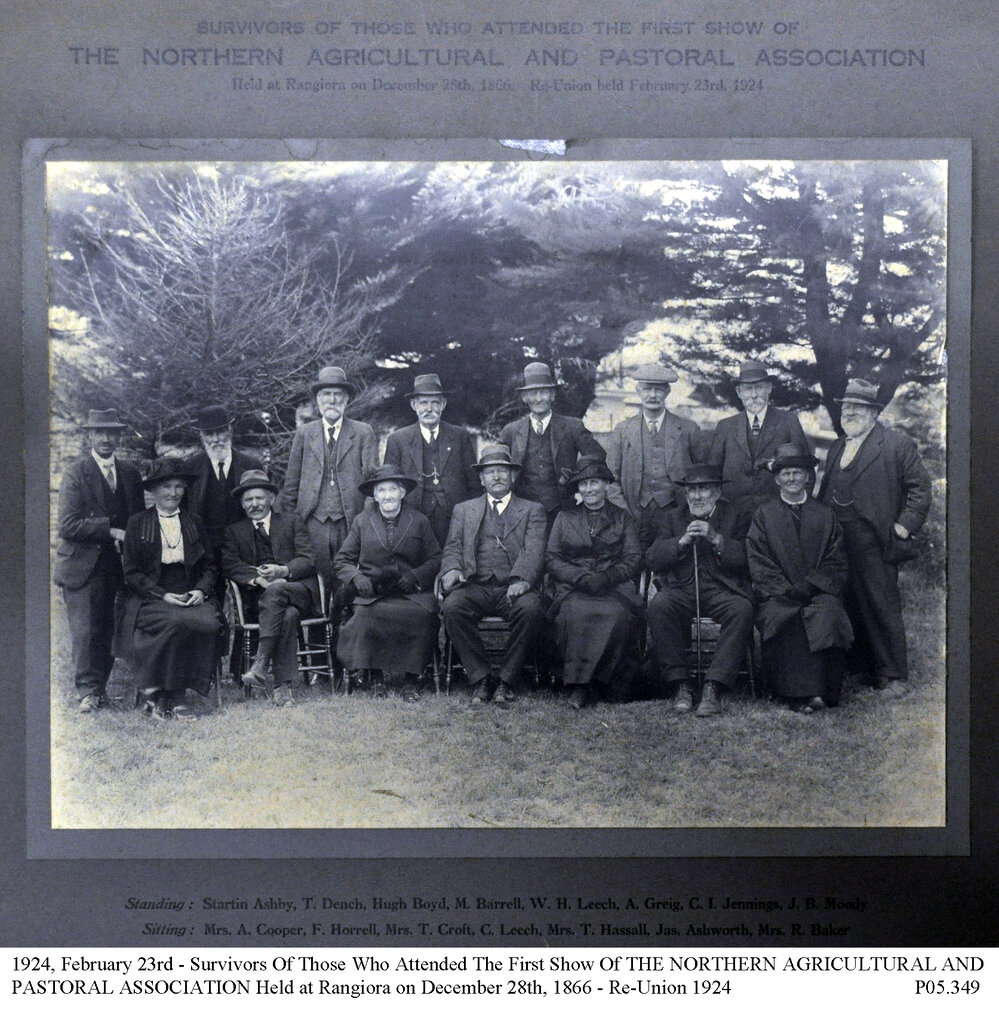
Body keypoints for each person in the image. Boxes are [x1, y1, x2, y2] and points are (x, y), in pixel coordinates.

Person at [817, 378, 932, 696]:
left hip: (875, 539)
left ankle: (894, 675)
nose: (849, 412)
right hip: (839, 540)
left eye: (858, 407)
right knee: (851, 600)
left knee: (881, 603)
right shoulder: (838, 445)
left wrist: (904, 526)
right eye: (846, 407)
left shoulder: (895, 444)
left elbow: (921, 488)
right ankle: (864, 667)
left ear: (874, 412)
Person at [746, 444, 853, 713]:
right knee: (787, 616)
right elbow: (758, 559)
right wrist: (784, 588)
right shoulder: (764, 515)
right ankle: (794, 693)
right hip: (778, 594)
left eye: (797, 472)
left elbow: (836, 560)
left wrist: (812, 584)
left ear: (808, 476)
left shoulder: (825, 515)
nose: (792, 479)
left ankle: (821, 692)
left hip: (817, 591)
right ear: (777, 478)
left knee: (827, 611)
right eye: (786, 474)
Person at [439, 443, 547, 705]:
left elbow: (534, 550)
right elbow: (452, 546)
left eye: (502, 471)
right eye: (490, 472)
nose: (496, 477)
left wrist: (522, 579)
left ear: (513, 476)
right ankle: (481, 677)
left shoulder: (532, 510)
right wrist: (452, 569)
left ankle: (507, 680)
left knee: (531, 610)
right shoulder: (464, 510)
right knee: (453, 608)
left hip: (512, 587)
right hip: (475, 585)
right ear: (481, 479)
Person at [116, 459, 222, 720]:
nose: (173, 493)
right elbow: (131, 573)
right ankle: (173, 696)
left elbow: (210, 566)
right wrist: (162, 594)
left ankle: (154, 691)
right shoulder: (137, 523)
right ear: (152, 491)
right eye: (166, 487)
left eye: (178, 487)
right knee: (176, 621)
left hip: (189, 591)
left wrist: (200, 590)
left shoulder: (194, 521)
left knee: (209, 623)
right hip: (150, 595)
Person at [646, 463, 754, 717]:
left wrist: (717, 538)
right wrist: (681, 542)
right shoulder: (672, 517)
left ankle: (713, 685)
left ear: (717, 492)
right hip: (682, 589)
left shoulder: (736, 515)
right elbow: (652, 558)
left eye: (703, 489)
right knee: (660, 605)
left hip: (722, 589)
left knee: (742, 609)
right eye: (691, 490)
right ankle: (681, 684)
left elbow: (749, 559)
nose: (696, 496)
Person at [53, 408, 143, 713]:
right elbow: (67, 525)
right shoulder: (75, 473)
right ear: (89, 436)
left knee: (108, 628)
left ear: (119, 436)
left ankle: (100, 689)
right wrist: (110, 529)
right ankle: (87, 693)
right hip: (82, 565)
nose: (106, 439)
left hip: (116, 565)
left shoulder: (130, 473)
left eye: (111, 433)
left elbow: (138, 520)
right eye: (99, 432)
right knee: (85, 630)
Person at [333, 466, 442, 702]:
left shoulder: (419, 521)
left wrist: (415, 575)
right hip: (373, 592)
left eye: (393, 489)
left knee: (422, 617)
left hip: (410, 593)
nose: (388, 495)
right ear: (374, 494)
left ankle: (412, 681)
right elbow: (342, 559)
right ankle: (376, 679)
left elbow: (436, 558)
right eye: (382, 490)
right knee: (364, 616)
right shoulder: (362, 521)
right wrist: (358, 578)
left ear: (403, 493)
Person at [545, 456, 644, 709]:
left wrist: (608, 576)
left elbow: (633, 558)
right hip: (574, 587)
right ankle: (578, 686)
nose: (589, 489)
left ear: (606, 485)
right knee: (573, 613)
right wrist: (579, 577)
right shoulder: (565, 517)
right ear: (578, 488)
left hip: (613, 587)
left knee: (618, 615)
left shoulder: (623, 518)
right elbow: (552, 558)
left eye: (595, 483)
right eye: (584, 484)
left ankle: (606, 683)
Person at [220, 469, 319, 707]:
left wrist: (282, 572)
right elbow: (230, 564)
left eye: (259, 498)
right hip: (260, 601)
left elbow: (308, 559)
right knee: (287, 615)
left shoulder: (292, 522)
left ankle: (261, 662)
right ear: (242, 505)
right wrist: (260, 579)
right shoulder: (234, 531)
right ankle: (281, 688)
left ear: (271, 499)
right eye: (248, 500)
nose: (254, 504)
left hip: (296, 591)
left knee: (281, 596)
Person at [279, 366, 378, 590]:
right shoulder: (304, 433)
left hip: (350, 520)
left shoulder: (363, 432)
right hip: (312, 521)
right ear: (317, 399)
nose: (332, 400)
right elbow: (291, 483)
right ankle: (319, 625)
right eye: (326, 394)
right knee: (316, 581)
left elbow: (372, 485)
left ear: (346, 399)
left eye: (337, 394)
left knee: (349, 579)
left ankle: (345, 623)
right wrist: (292, 522)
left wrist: (366, 521)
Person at [605, 364, 702, 549]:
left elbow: (701, 474)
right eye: (647, 389)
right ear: (638, 391)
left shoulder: (688, 429)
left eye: (658, 389)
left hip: (675, 511)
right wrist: (624, 512)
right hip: (635, 512)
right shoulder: (623, 430)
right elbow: (610, 479)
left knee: (672, 559)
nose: (652, 395)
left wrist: (690, 509)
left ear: (667, 391)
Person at [499, 361, 606, 523]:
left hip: (562, 510)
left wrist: (572, 475)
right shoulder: (511, 431)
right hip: (521, 512)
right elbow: (497, 464)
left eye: (543, 392)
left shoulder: (572, 426)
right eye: (533, 393)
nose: (539, 399)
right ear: (524, 397)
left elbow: (597, 455)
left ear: (553, 395)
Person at [382, 373, 477, 547]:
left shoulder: (459, 436)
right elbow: (390, 483)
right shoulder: (398, 439)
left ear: (443, 405)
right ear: (414, 405)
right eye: (423, 403)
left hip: (454, 518)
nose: (429, 408)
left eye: (435, 402)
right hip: (413, 518)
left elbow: (473, 483)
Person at [709, 360, 810, 516]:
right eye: (748, 389)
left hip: (778, 514)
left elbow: (807, 471)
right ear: (739, 392)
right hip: (733, 515)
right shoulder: (725, 426)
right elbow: (713, 476)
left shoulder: (788, 421)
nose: (754, 395)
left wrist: (796, 510)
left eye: (760, 387)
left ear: (769, 388)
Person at [181, 404, 265, 553]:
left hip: (245, 549)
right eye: (209, 434)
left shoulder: (252, 465)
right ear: (201, 436)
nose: (216, 439)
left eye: (220, 432)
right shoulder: (190, 468)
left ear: (229, 431)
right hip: (205, 550)